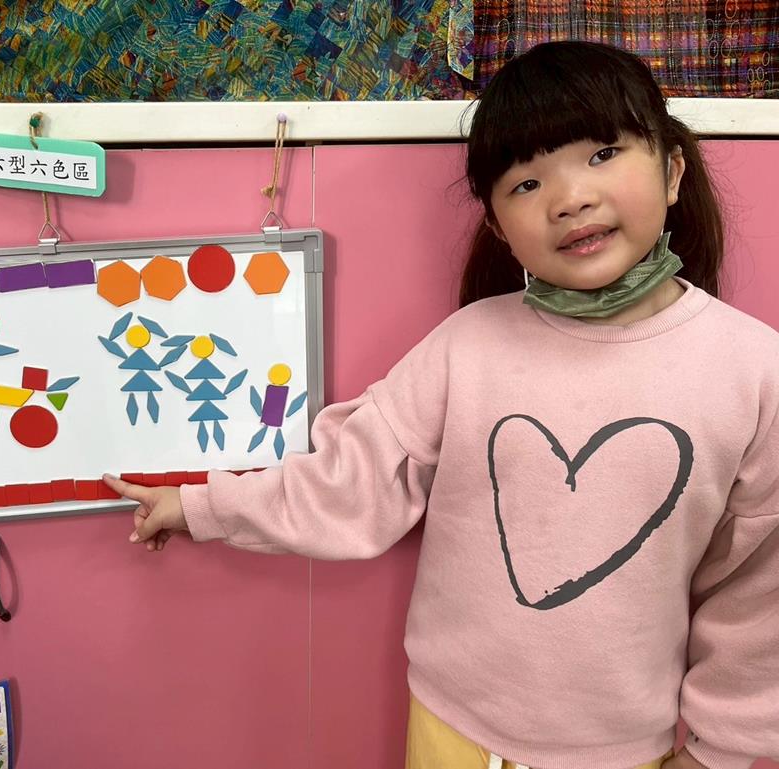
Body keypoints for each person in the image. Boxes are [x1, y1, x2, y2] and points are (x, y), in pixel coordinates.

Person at [104, 40, 778, 769]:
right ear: (497, 226)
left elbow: (759, 591)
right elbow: (352, 479)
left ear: (673, 170)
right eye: (526, 182)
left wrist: (719, 751)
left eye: (603, 154)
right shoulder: (467, 346)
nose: (570, 198)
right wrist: (202, 505)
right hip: (449, 725)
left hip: (621, 750)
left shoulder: (752, 371)